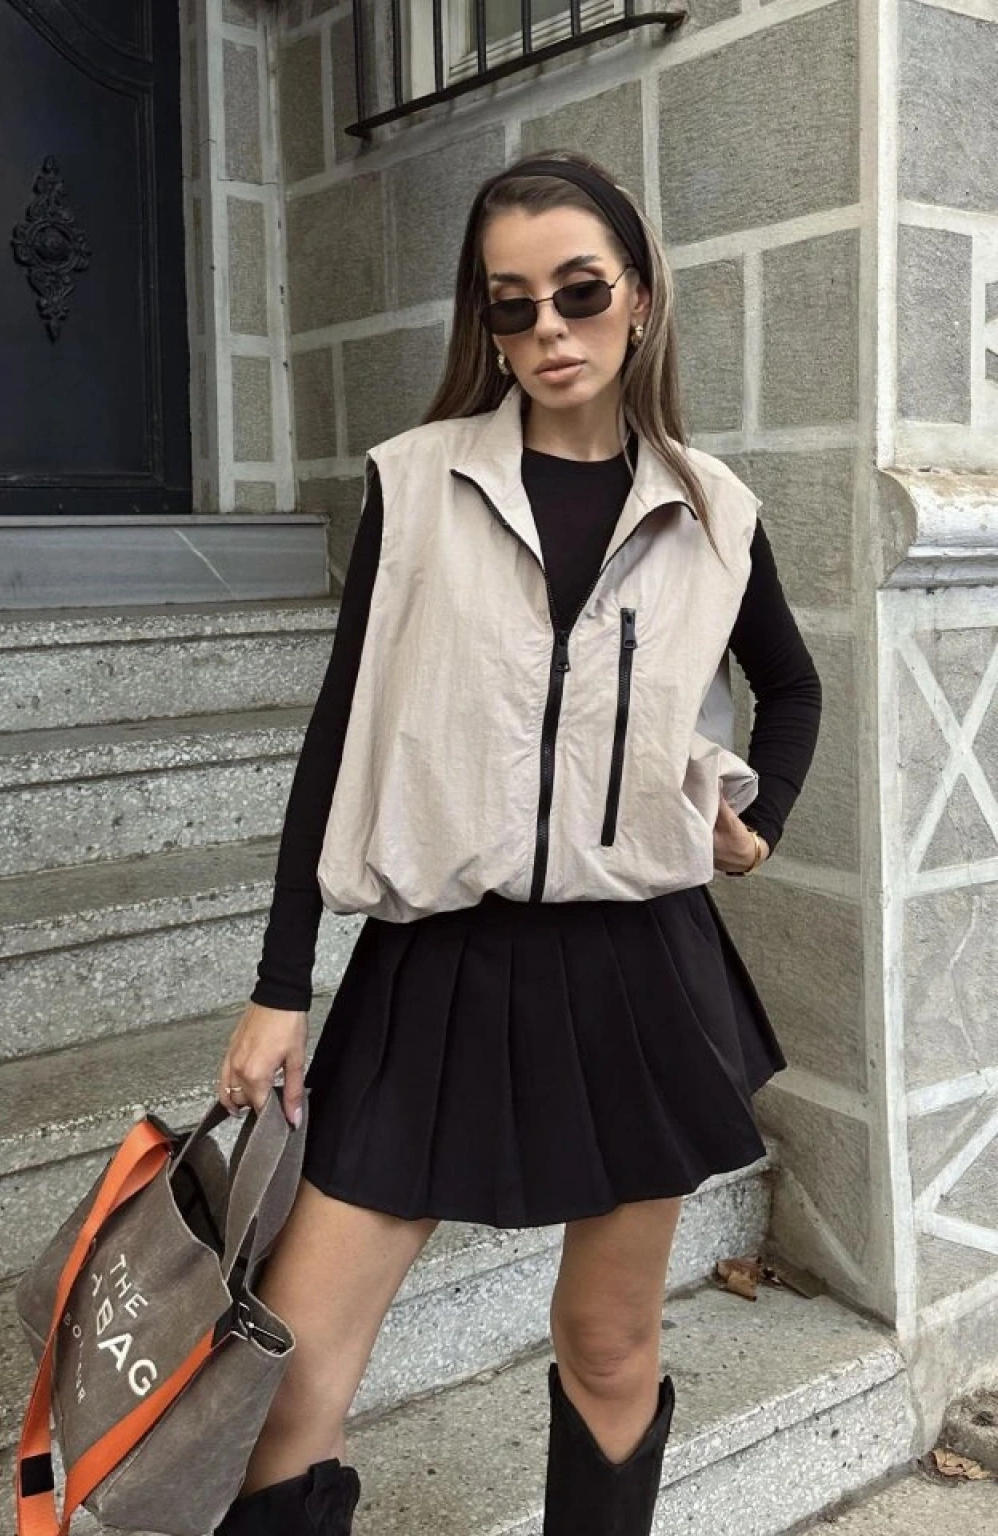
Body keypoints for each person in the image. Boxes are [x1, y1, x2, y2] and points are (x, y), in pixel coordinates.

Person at [212, 150, 822, 1536]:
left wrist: (759, 823)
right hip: (436, 967)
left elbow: (792, 686)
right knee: (291, 1379)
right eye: (512, 304)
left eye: (580, 291)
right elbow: (339, 733)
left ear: (642, 298)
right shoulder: (417, 485)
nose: (550, 329)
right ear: (483, 325)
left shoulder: (714, 509)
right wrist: (280, 983)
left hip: (640, 971)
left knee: (608, 1347)